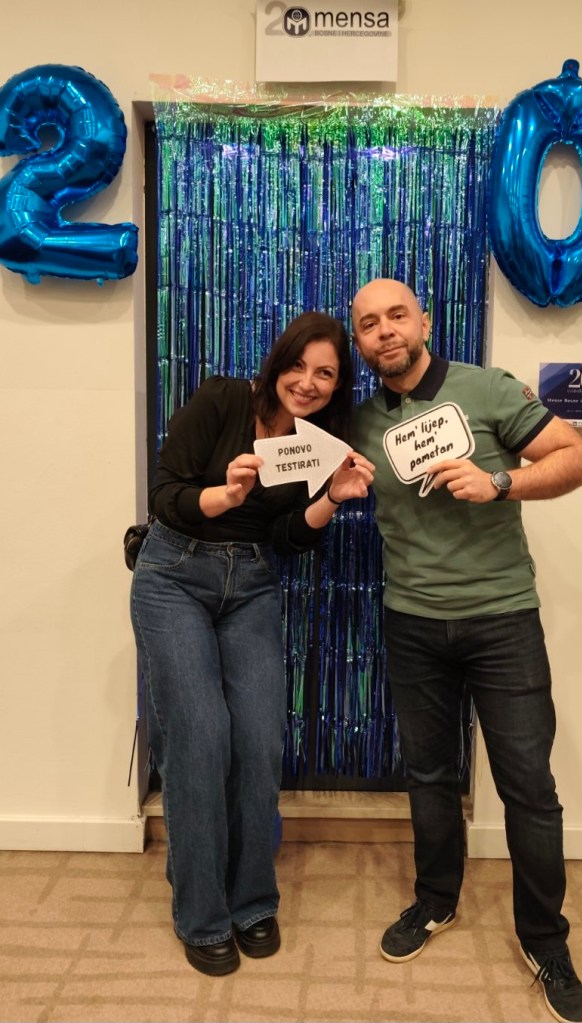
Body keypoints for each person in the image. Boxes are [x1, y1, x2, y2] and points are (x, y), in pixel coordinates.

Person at [350, 279, 582, 1023]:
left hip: (502, 621)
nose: (385, 331)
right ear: (359, 343)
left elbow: (579, 459)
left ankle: (546, 940)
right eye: (368, 323)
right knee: (429, 775)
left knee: (528, 787)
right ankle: (436, 900)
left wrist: (501, 481)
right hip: (412, 623)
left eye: (397, 315)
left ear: (424, 321)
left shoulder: (487, 389)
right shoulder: (360, 420)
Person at [131, 311, 374, 977]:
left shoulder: (318, 443)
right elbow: (164, 494)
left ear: (337, 385)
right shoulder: (222, 399)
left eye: (325, 373)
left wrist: (334, 498)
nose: (308, 382)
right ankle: (202, 914)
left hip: (253, 585)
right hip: (174, 574)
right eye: (298, 365)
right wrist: (224, 494)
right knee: (201, 738)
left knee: (261, 741)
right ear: (278, 362)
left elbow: (289, 538)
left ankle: (252, 901)